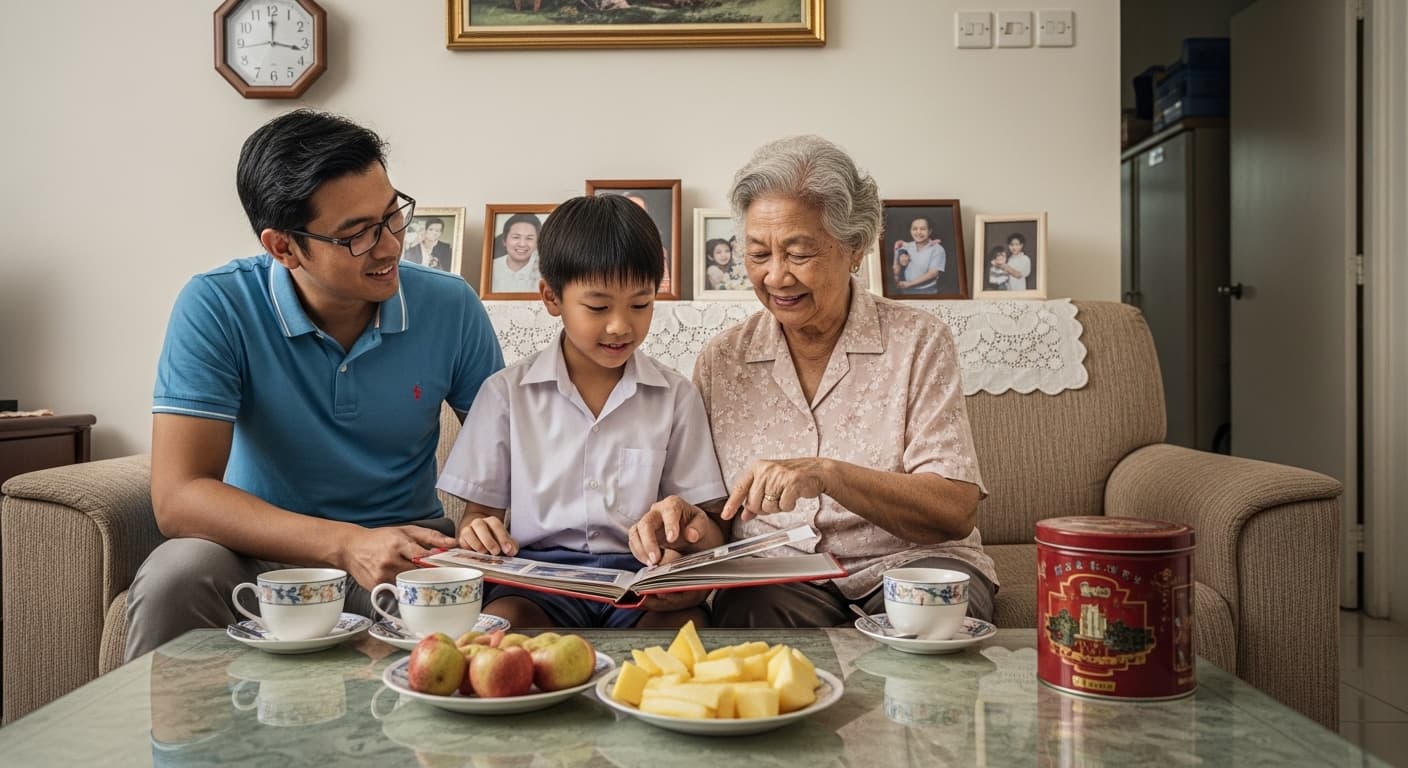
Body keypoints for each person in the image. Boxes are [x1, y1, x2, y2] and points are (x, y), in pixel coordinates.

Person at [129, 109, 504, 660]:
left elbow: (505, 446)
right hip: (257, 553)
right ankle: (168, 749)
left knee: (482, 607)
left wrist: (481, 516)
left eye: (392, 214)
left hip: (407, 553)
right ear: (283, 247)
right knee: (177, 573)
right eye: (357, 234)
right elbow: (179, 497)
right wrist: (346, 543)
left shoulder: (450, 305)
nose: (390, 246)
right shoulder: (216, 305)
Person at [649, 134, 997, 628]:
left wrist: (828, 474)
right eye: (758, 254)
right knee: (751, 621)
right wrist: (683, 531)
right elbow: (718, 522)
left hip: (909, 564)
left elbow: (954, 511)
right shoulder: (722, 360)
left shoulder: (918, 341)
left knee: (927, 615)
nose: (776, 277)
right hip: (780, 578)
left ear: (854, 247)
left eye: (798, 252)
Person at [437, 195, 728, 630]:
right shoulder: (505, 394)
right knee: (499, 630)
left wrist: (685, 547)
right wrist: (477, 533)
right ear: (551, 297)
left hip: (641, 582)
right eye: (597, 307)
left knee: (684, 638)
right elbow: (481, 517)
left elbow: (700, 522)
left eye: (640, 304)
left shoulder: (675, 396)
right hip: (536, 584)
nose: (620, 326)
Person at [491, 212, 542, 293]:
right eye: (516, 237)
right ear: (504, 240)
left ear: (537, 243)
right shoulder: (491, 268)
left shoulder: (545, 272)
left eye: (529, 238)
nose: (522, 244)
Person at [895, 215, 946, 294]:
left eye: (923, 229)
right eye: (914, 229)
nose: (918, 232)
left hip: (928, 291)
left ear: (929, 231)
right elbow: (896, 267)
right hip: (906, 291)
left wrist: (910, 284)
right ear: (910, 231)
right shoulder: (906, 246)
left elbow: (933, 273)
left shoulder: (937, 249)